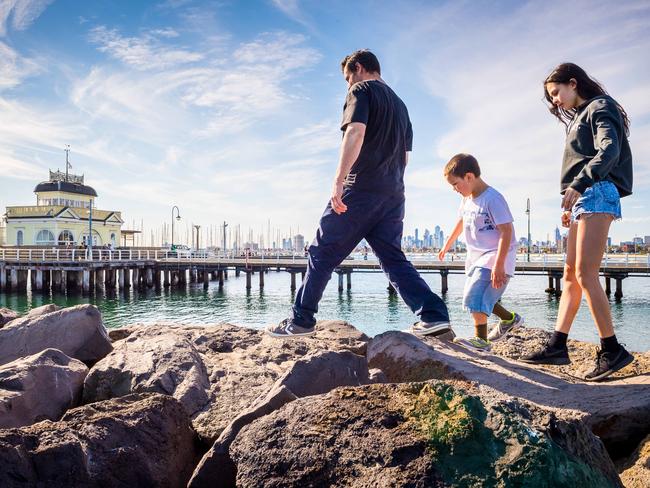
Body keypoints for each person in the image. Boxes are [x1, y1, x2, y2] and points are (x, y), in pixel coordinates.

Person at [266, 49, 452, 338]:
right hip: (393, 192)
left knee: (321, 251)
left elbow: (355, 132)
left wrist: (339, 180)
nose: (347, 84)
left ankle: (301, 321)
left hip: (361, 187)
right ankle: (434, 316)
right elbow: (405, 158)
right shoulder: (402, 106)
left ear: (359, 68)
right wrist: (391, 187)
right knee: (392, 257)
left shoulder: (361, 90)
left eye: (347, 77)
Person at [521, 63, 634, 381]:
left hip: (596, 192)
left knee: (586, 274)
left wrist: (580, 184)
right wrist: (573, 197)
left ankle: (612, 350)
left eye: (556, 93)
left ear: (573, 83)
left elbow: (609, 149)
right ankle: (558, 346)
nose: (554, 101)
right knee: (570, 274)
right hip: (586, 196)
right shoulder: (580, 117)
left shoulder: (600, 106)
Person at [439, 154, 524, 351]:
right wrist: (447, 244)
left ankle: (481, 341)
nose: (454, 189)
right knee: (485, 297)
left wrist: (499, 264)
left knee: (474, 296)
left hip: (495, 256)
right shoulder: (467, 200)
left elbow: (507, 231)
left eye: (455, 184)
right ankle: (509, 319)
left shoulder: (492, 199)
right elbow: (461, 222)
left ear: (469, 177)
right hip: (476, 258)